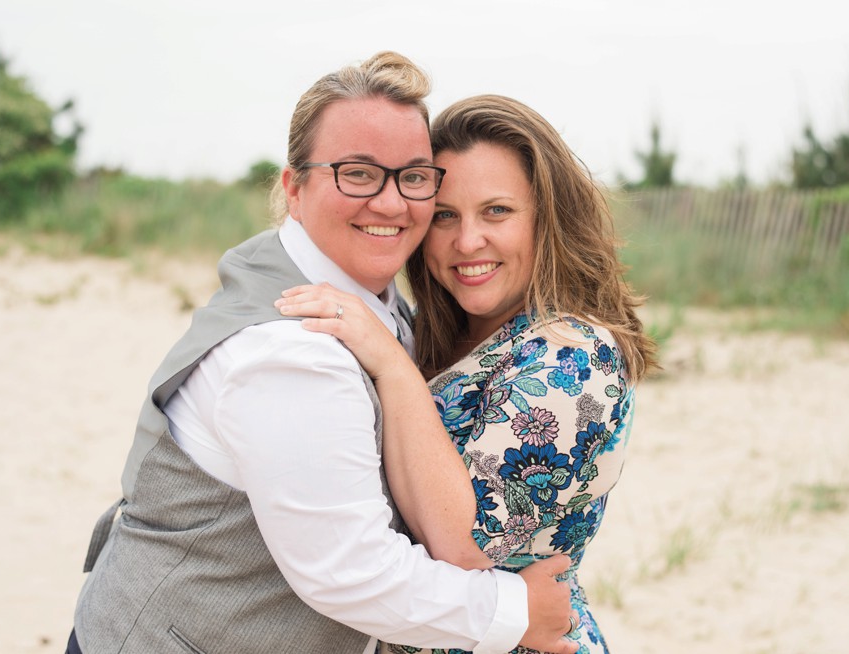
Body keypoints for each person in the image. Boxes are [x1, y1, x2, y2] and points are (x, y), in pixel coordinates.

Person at [66, 55, 579, 654]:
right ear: (294, 187)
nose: (391, 203)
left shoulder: (359, 296)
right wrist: (516, 612)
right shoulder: (291, 354)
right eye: (358, 173)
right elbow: (351, 572)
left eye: (413, 177)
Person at [276, 94, 659, 653]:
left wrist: (390, 364)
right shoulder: (434, 333)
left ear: (546, 220)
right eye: (446, 216)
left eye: (497, 211)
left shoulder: (572, 357)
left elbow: (467, 544)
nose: (467, 241)